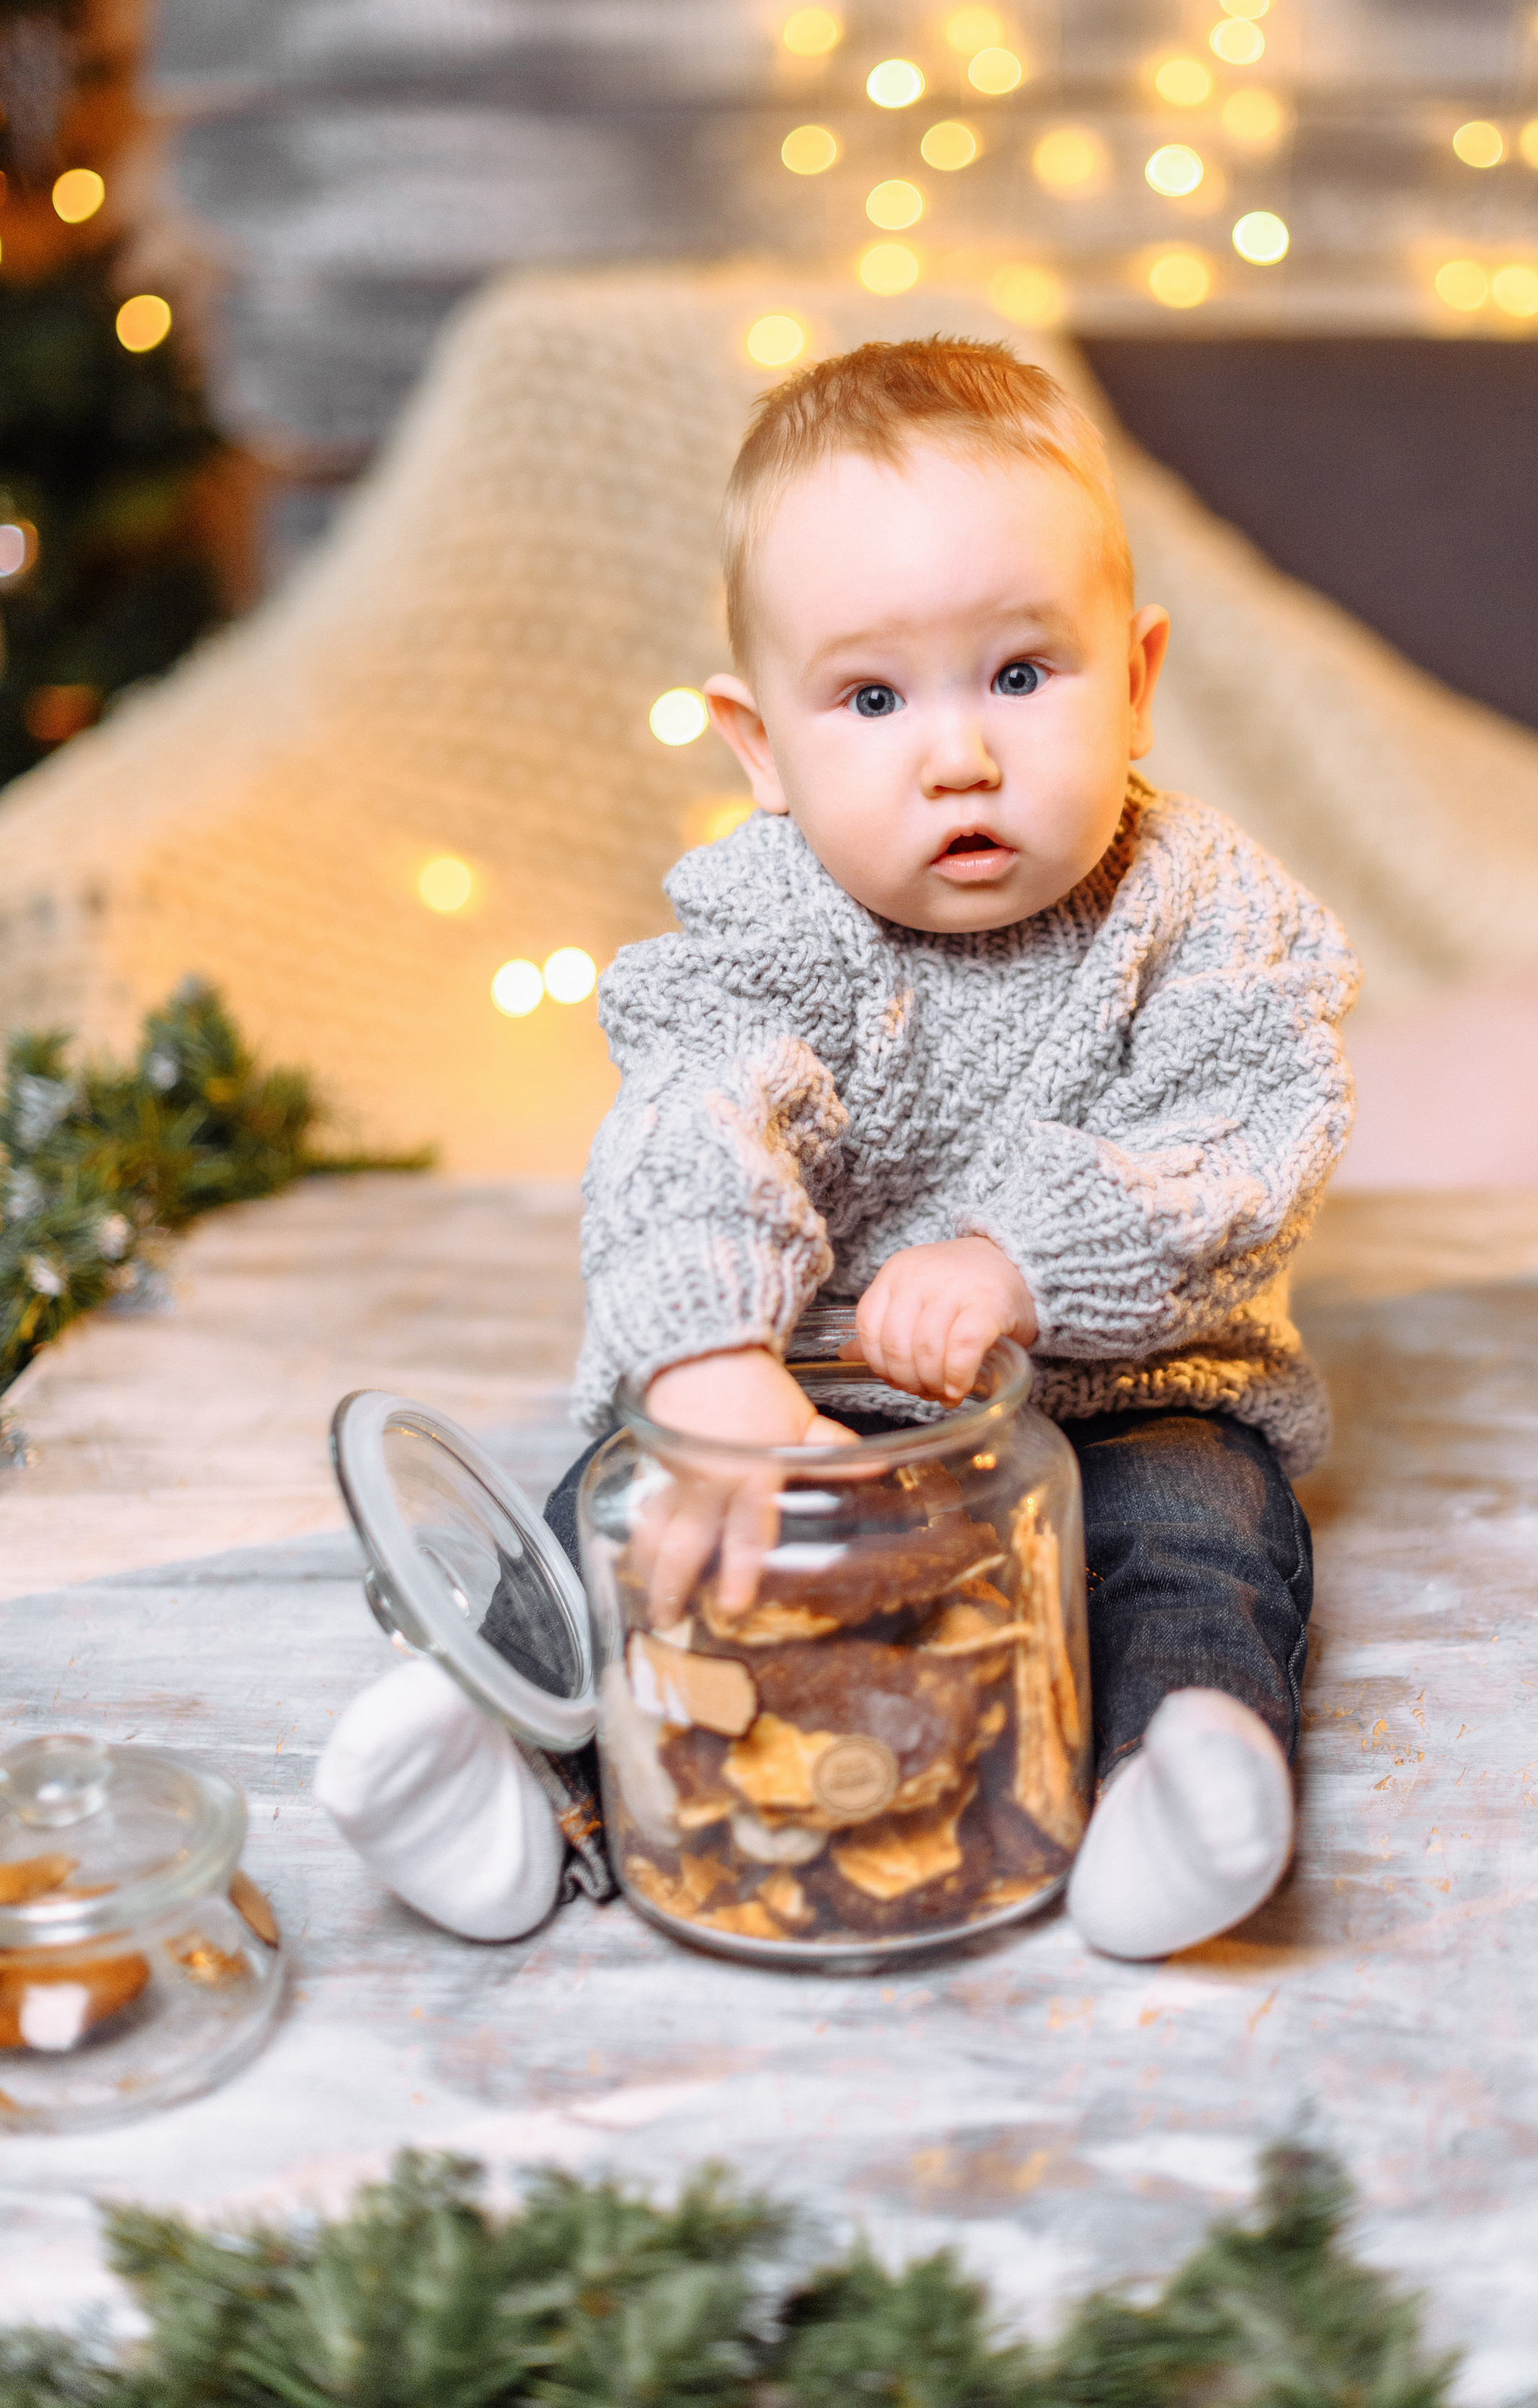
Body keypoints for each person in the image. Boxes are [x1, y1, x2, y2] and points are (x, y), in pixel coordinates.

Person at [319, 337, 1358, 1959]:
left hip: (1116, 1396)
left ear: (1137, 674)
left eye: (1021, 675)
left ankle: (1182, 1775)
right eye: (871, 698)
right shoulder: (767, 924)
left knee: (1202, 1538)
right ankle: (511, 1762)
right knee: (631, 1511)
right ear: (761, 745)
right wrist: (709, 1360)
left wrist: (1024, 1257)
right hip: (796, 1405)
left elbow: (1250, 1134)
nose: (958, 754)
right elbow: (691, 1116)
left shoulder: (1209, 917)